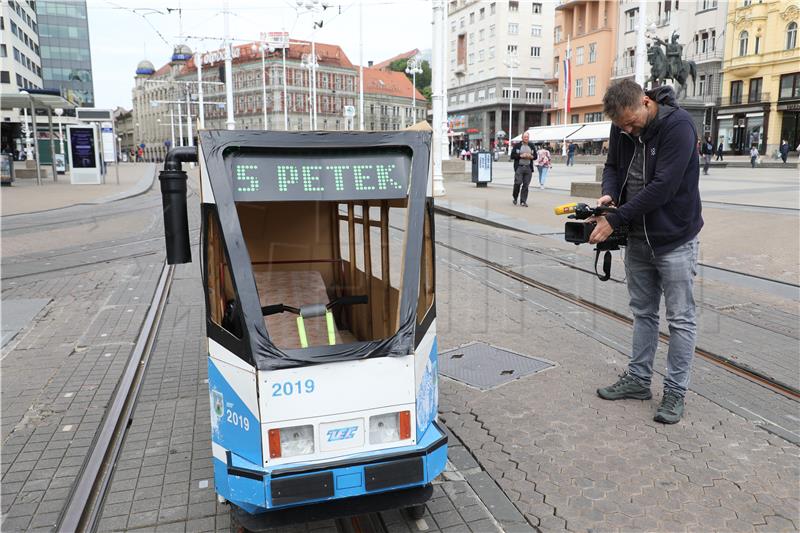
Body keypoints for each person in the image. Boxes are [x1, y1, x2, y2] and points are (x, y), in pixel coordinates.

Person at [592, 79, 703, 424]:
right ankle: (639, 380)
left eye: (630, 122)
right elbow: (612, 166)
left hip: (674, 239)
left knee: (681, 319)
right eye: (620, 125)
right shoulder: (621, 126)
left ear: (645, 102)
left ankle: (674, 392)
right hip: (638, 237)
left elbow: (663, 188)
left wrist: (616, 219)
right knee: (643, 312)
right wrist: (610, 195)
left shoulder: (679, 126)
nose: (627, 129)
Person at [510, 131, 535, 207]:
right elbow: (512, 156)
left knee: (526, 185)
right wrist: (521, 156)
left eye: (527, 137)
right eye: (525, 137)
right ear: (522, 138)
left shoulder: (531, 145)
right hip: (519, 167)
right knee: (518, 183)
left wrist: (531, 157)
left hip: (528, 168)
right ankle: (515, 197)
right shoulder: (517, 145)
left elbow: (535, 156)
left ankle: (523, 201)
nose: (526, 138)